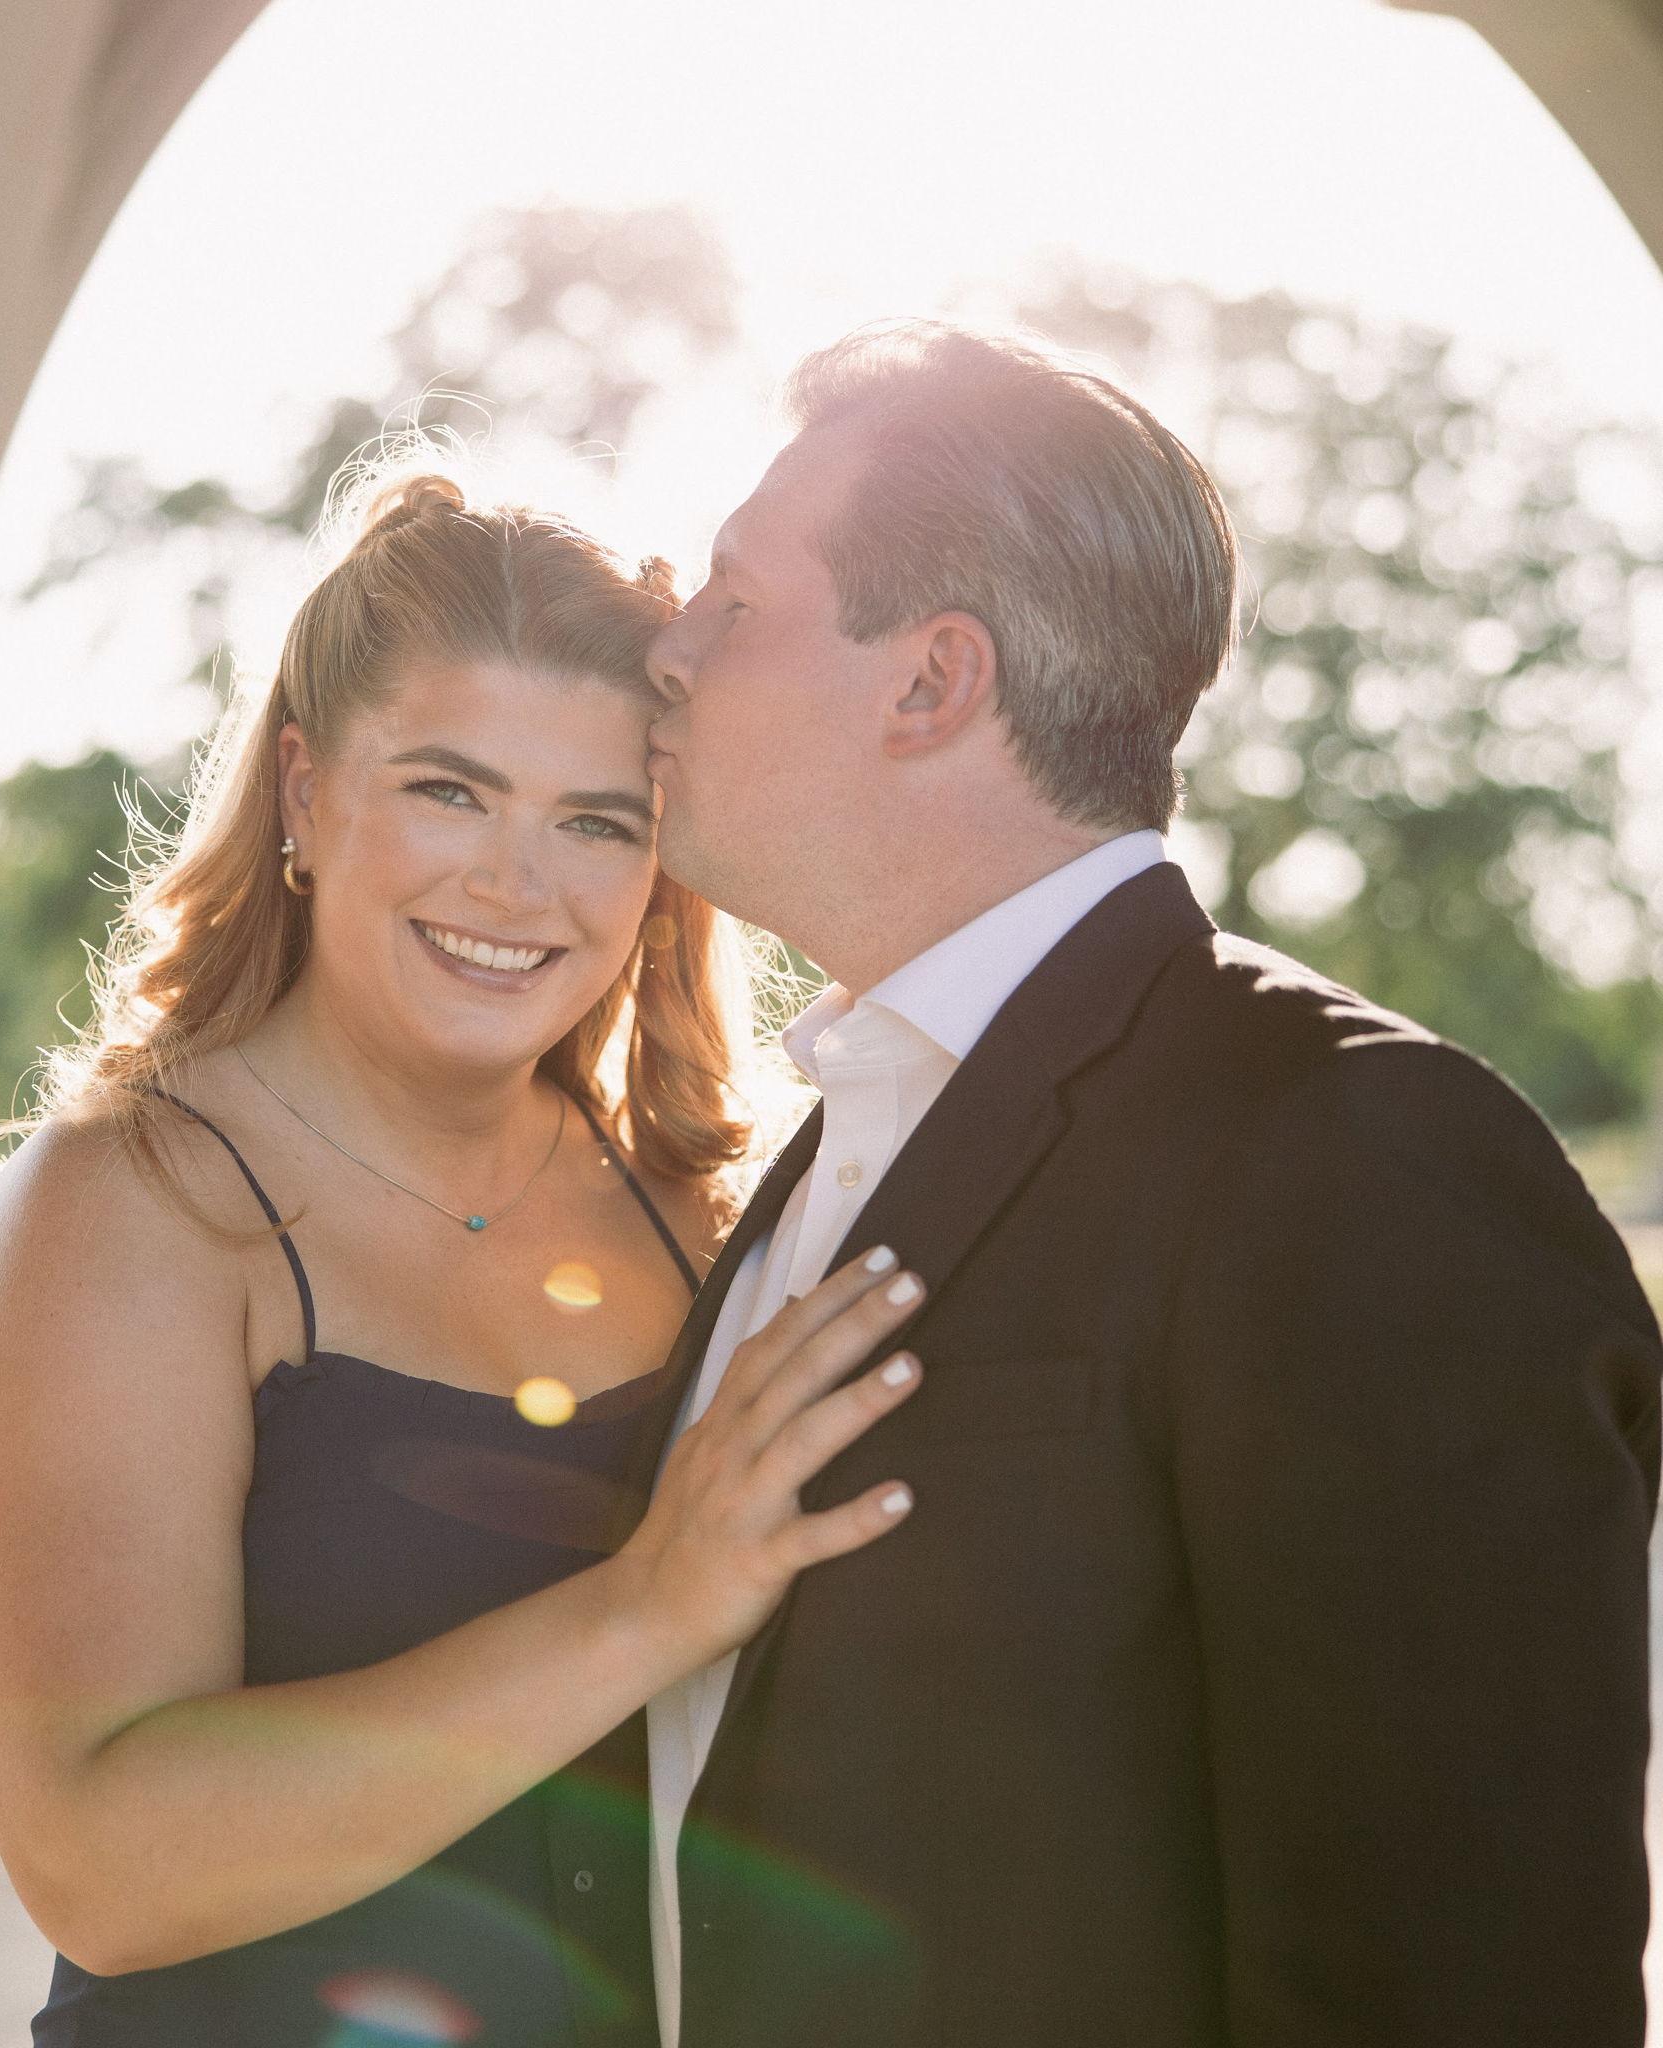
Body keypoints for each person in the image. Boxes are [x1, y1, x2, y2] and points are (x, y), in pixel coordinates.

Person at [633, 321, 1663, 2048]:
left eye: (732, 602)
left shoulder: (1360, 1161)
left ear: (930, 682)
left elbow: (1460, 1990)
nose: (664, 652)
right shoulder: (829, 1137)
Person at [0, 471, 931, 2048]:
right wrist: (644, 1608)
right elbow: (99, 1869)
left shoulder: (715, 1205)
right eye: (450, 791)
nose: (515, 885)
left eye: (596, 821)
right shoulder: (127, 1205)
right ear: (306, 792)